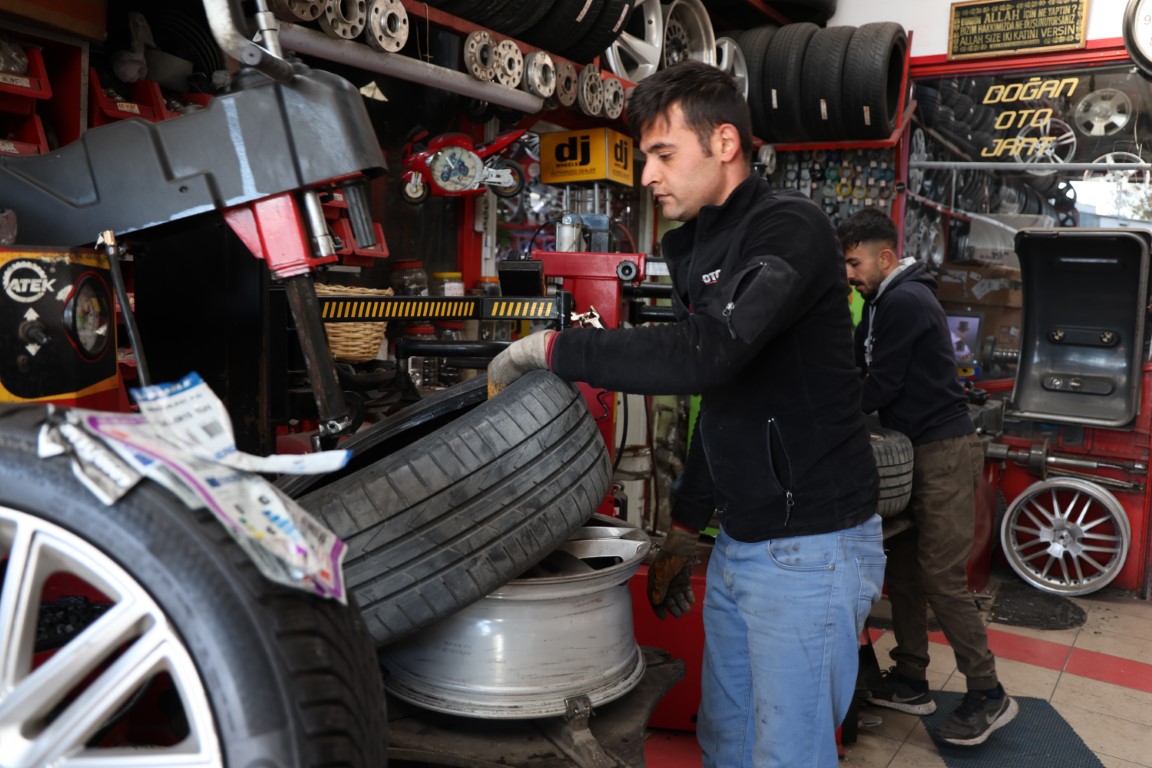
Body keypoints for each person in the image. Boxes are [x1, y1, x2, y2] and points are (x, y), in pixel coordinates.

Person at [488, 60, 886, 768]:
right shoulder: (702, 247)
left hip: (810, 548)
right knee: (726, 742)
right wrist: (683, 528)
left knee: (787, 756)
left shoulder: (788, 227)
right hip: (742, 543)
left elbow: (708, 353)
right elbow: (726, 402)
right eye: (646, 157)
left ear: (724, 143)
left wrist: (555, 348)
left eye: (663, 154)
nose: (647, 175)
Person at [839, 206, 1018, 747]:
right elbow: (856, 369)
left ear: (884, 257)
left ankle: (988, 692)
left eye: (854, 263)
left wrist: (822, 416)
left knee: (941, 577)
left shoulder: (906, 301)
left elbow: (879, 387)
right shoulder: (878, 303)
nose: (849, 273)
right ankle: (912, 678)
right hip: (913, 451)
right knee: (905, 570)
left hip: (944, 452)